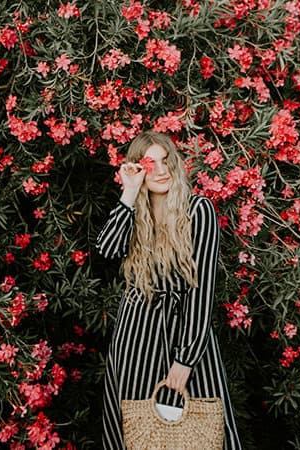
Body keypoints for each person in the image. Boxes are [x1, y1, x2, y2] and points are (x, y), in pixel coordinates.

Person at [96, 131, 242, 449]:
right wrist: (130, 192)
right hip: (136, 338)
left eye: (166, 162)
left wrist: (185, 359)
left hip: (186, 333)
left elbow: (201, 290)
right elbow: (107, 249)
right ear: (137, 168)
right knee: (140, 433)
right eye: (151, 163)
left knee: (204, 429)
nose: (161, 171)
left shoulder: (197, 211)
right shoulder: (133, 214)